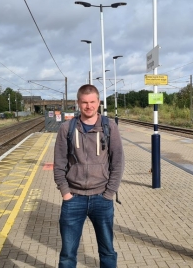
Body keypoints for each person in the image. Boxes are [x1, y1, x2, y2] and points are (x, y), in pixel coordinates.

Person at [53, 84, 124, 268]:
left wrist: (109, 193)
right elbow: (59, 164)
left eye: (92, 102)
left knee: (107, 251)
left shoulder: (110, 127)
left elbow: (118, 163)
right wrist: (65, 193)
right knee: (68, 254)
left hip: (102, 198)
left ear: (98, 102)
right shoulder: (66, 128)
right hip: (73, 199)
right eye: (84, 102)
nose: (88, 106)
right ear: (78, 103)